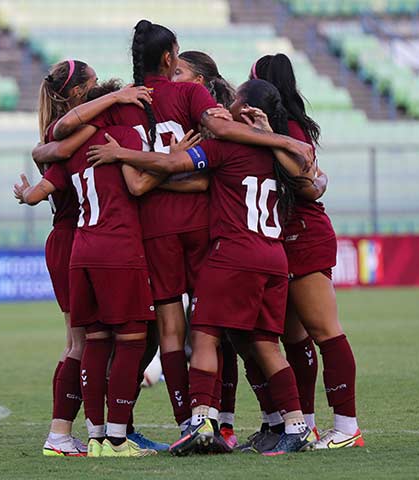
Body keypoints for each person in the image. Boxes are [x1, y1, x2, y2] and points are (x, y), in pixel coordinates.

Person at [51, 20, 315, 439]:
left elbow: (61, 136)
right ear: (170, 57)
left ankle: (187, 426)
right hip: (203, 224)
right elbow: (223, 131)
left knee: (171, 333)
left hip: (153, 227)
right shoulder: (193, 93)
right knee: (220, 330)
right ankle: (230, 423)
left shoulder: (122, 105)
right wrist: (283, 141)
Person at [32, 60, 153, 456]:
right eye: (97, 85)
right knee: (82, 345)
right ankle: (67, 433)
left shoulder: (62, 137)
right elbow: (134, 184)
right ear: (84, 94)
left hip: (77, 242)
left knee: (87, 343)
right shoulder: (88, 135)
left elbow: (49, 155)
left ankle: (90, 432)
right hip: (88, 241)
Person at [251, 53, 363, 449]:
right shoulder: (281, 125)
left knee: (325, 333)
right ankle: (307, 425)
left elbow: (304, 181)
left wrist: (315, 180)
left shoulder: (287, 127)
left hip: (305, 235)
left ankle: (347, 428)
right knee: (294, 339)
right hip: (285, 237)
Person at [172, 50, 240, 448]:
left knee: (212, 333)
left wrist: (159, 171)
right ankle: (209, 421)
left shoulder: (213, 122)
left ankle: (215, 421)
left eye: (179, 72)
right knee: (207, 333)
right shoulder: (188, 117)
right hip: (190, 234)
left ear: (198, 81)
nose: (172, 78)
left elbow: (211, 180)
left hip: (212, 237)